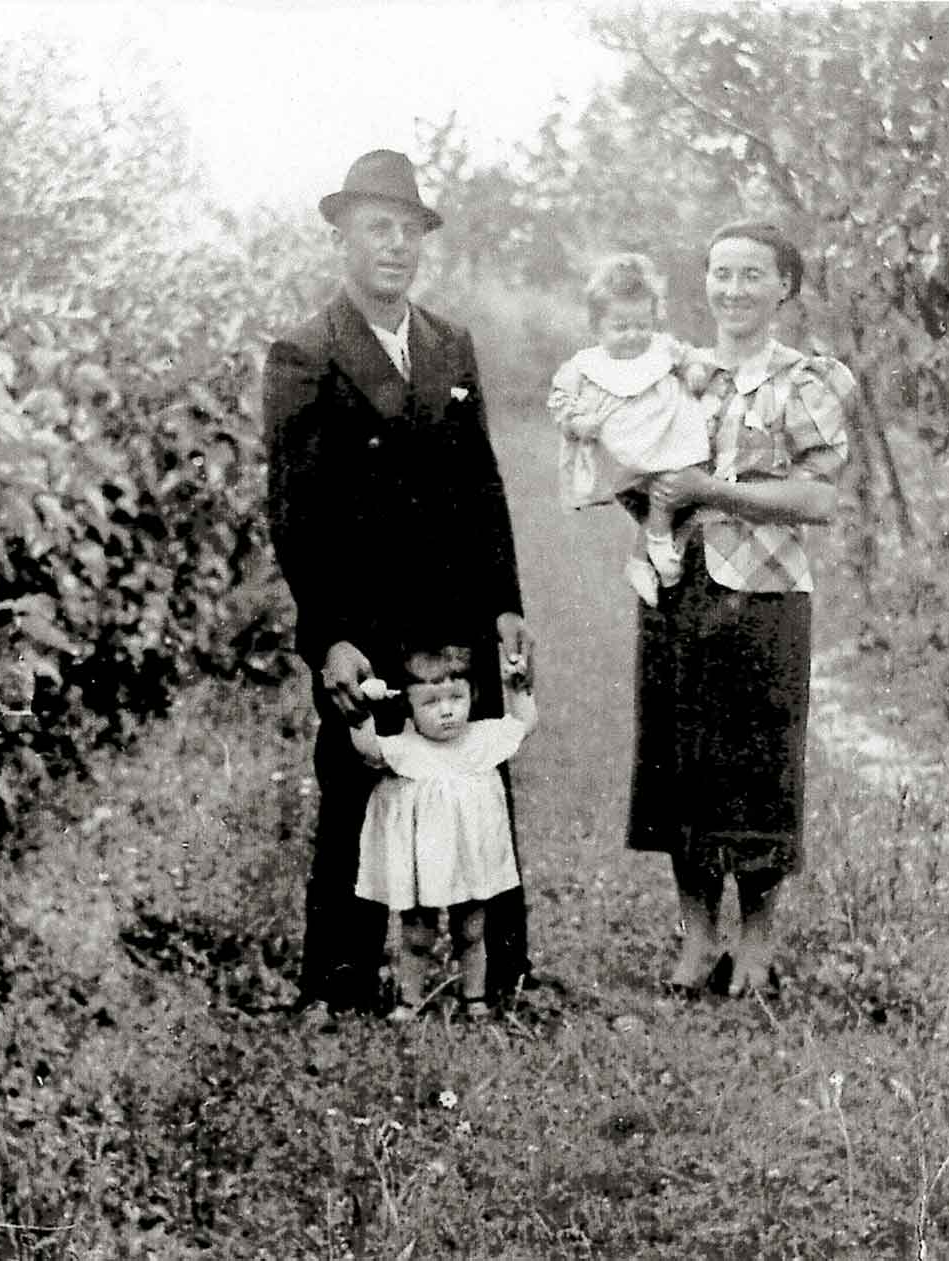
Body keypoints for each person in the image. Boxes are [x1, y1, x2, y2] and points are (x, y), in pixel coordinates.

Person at [264, 149, 536, 1027]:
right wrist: (330, 634)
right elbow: (295, 514)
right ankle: (338, 982)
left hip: (455, 606)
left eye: (408, 229)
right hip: (363, 613)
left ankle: (497, 974)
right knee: (359, 780)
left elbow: (482, 482)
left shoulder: (449, 343)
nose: (395, 246)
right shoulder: (307, 352)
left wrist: (504, 604)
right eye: (377, 227)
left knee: (475, 775)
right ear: (342, 236)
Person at [626, 220, 855, 998]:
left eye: (751, 275)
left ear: (785, 287)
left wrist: (714, 492)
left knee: (758, 764)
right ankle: (698, 937)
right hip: (679, 584)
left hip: (765, 593)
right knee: (680, 758)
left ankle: (756, 940)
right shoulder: (677, 374)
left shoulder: (806, 381)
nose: (732, 290)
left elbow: (819, 498)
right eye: (720, 273)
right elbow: (642, 475)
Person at [350, 643, 537, 1021]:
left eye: (456, 697)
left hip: (468, 858)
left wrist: (517, 689)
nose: (447, 710)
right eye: (431, 702)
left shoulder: (481, 739)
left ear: (473, 695)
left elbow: (525, 723)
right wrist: (362, 712)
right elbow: (368, 750)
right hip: (424, 861)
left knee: (471, 930)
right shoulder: (406, 748)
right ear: (409, 708)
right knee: (417, 934)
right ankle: (409, 999)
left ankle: (474, 996)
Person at [548, 253, 714, 606]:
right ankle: (651, 547)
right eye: (620, 327)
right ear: (597, 326)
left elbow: (689, 357)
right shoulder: (587, 364)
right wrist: (577, 422)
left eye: (642, 324)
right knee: (661, 487)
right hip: (622, 449)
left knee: (674, 481)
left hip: (664, 437)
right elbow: (560, 398)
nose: (633, 336)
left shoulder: (662, 347)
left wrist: (694, 372)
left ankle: (647, 551)